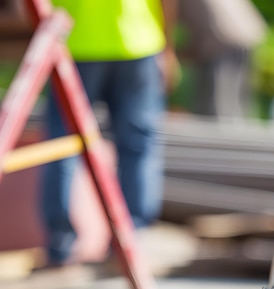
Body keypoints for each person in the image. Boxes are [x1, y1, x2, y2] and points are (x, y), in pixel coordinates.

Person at [40, 0, 178, 267]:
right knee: (137, 146)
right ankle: (131, 239)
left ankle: (60, 244)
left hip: (75, 38)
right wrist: (167, 44)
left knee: (62, 144)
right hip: (136, 38)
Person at [177, 0, 266, 119]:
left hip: (223, 39)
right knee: (234, 104)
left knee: (217, 108)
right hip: (244, 34)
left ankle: (220, 134)